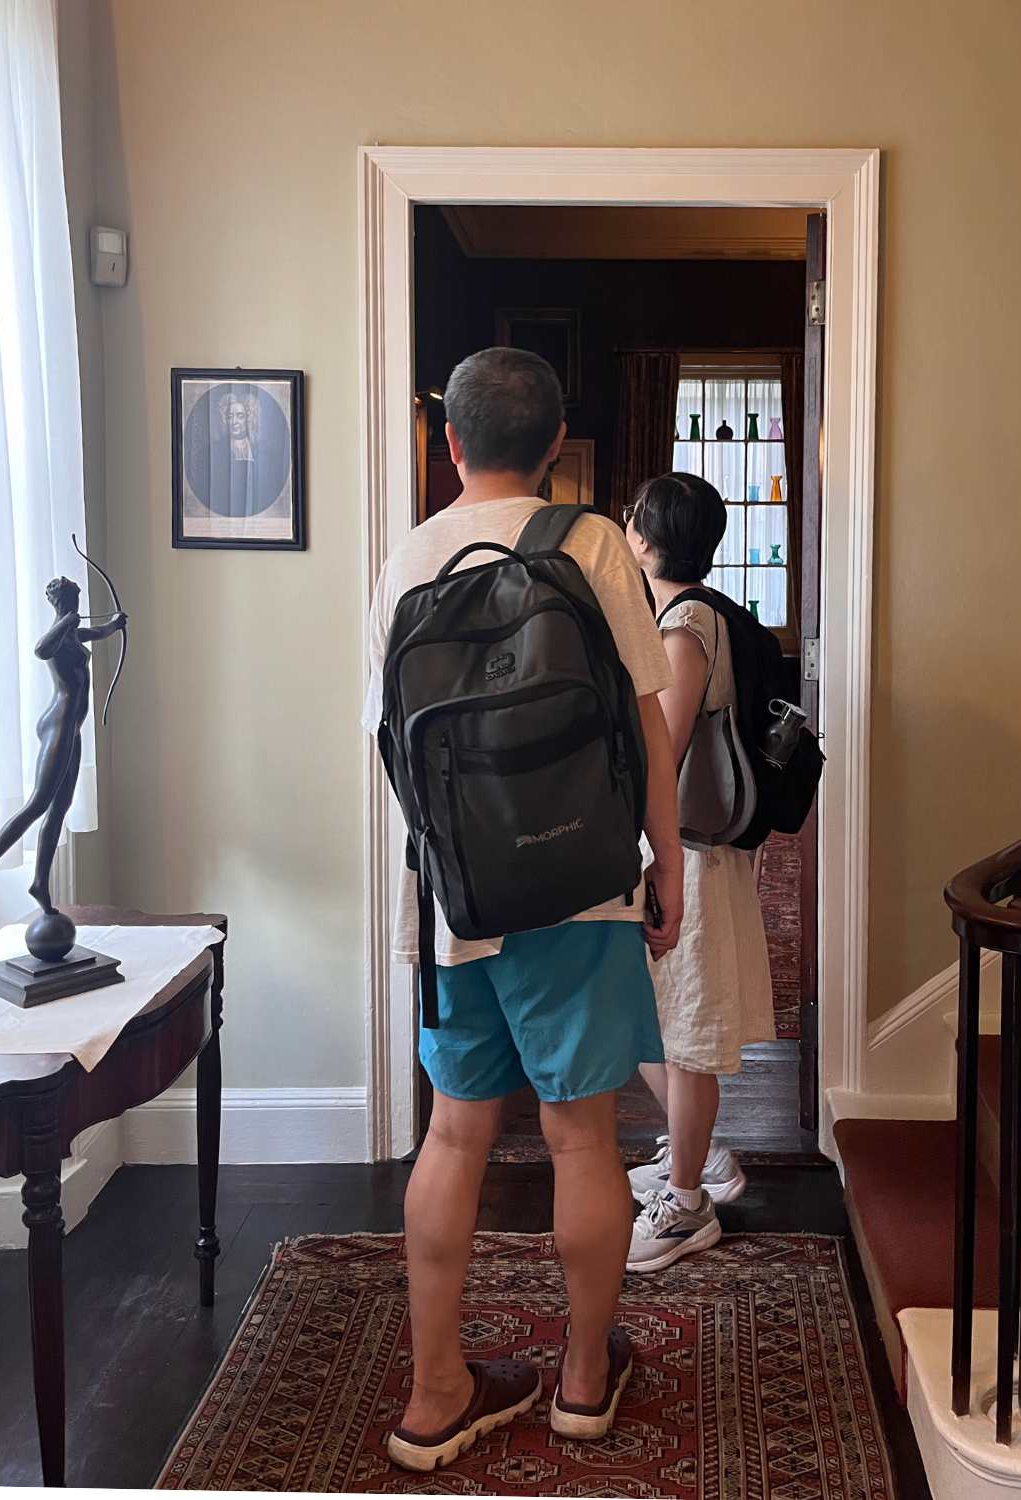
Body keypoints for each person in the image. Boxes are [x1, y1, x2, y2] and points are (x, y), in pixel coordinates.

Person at [361, 347, 685, 1471]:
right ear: (556, 443)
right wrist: (668, 863)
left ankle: (437, 1388)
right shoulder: (592, 543)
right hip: (583, 888)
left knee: (456, 1130)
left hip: (460, 900)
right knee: (581, 1136)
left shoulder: (405, 559)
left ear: (450, 440)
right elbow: (646, 722)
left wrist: (448, 875)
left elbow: (390, 752)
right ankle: (584, 1379)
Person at [622, 472, 776, 1272]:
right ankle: (700, 1156)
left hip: (690, 852)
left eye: (631, 519)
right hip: (694, 848)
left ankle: (687, 1205)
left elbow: (664, 753)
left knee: (682, 1035)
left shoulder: (684, 627)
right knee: (654, 1022)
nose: (625, 526)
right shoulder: (697, 615)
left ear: (646, 540)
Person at [0, 577, 126, 914]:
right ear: (62, 602)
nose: (76, 605)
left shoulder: (73, 633)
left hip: (71, 728)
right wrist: (66, 621)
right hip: (57, 725)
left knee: (60, 806)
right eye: (72, 600)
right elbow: (40, 649)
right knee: (38, 804)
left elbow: (99, 633)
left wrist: (115, 625)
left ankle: (40, 884)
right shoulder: (60, 634)